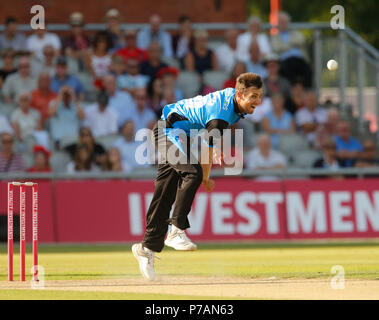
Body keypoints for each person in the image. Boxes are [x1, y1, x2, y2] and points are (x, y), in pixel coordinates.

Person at [132, 72, 263, 280]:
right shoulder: (222, 116)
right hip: (167, 131)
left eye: (259, 95)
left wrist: (214, 147)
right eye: (254, 96)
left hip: (181, 135)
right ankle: (176, 230)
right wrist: (205, 178)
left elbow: (208, 130)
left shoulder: (232, 101)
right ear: (240, 95)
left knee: (165, 192)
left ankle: (146, 248)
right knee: (192, 174)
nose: (258, 101)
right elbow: (207, 148)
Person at [271, 11, 312, 87]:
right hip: (285, 62)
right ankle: (292, 94)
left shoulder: (296, 33)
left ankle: (308, 93)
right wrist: (292, 44)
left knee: (308, 71)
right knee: (289, 73)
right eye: (281, 22)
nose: (284, 24)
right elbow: (276, 48)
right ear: (278, 24)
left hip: (299, 60)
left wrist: (285, 46)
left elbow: (301, 40)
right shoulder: (275, 36)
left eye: (285, 22)